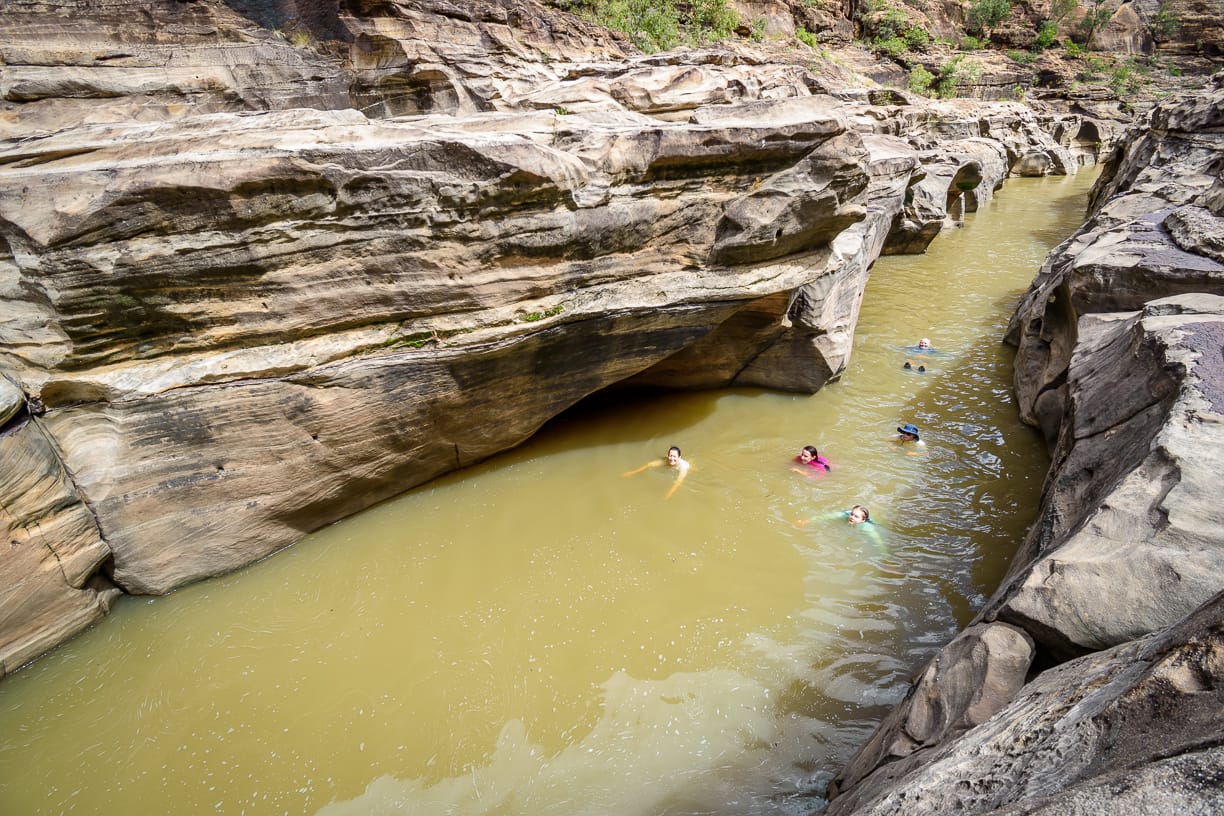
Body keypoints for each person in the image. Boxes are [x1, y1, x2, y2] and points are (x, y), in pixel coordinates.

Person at [624, 445, 691, 499]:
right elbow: (648, 465)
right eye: (670, 456)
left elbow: (677, 484)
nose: (672, 458)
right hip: (672, 466)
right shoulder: (666, 461)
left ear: (679, 457)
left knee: (692, 468)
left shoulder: (683, 468)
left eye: (674, 456)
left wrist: (668, 495)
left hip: (687, 467)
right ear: (668, 456)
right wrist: (632, 473)